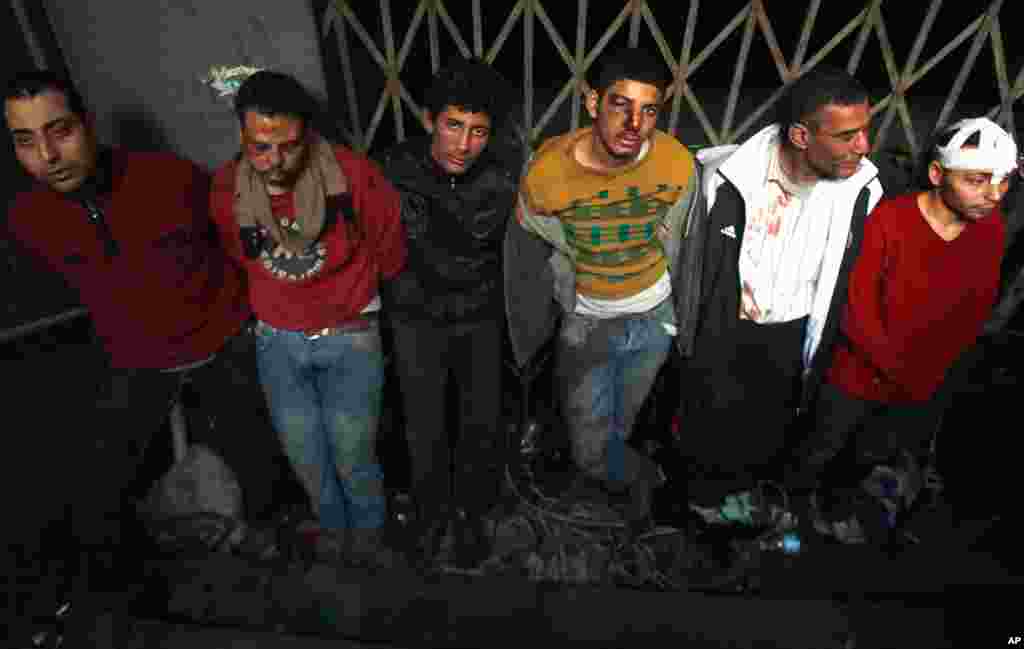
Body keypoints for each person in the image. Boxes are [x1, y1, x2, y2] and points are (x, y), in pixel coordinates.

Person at [3, 69, 279, 639]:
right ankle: (103, 617)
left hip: (220, 342)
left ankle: (277, 578)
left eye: (60, 131)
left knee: (265, 472)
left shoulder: (171, 179)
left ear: (88, 124)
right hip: (137, 361)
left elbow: (242, 247)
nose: (48, 154)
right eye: (26, 140)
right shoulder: (28, 219)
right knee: (92, 491)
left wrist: (250, 326)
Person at [209, 70, 406, 565]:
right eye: (260, 147)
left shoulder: (353, 175)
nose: (275, 162)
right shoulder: (227, 189)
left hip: (350, 337)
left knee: (354, 455)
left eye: (290, 147)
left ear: (310, 134)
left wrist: (344, 300)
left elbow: (390, 251)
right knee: (307, 459)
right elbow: (237, 256)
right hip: (277, 343)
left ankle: (371, 545)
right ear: (242, 135)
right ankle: (335, 544)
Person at [676, 65, 885, 525]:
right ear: (801, 136)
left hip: (796, 331)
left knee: (770, 426)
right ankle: (702, 507)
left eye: (864, 130)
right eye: (847, 135)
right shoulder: (726, 181)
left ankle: (744, 500)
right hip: (729, 327)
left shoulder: (861, 189)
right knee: (710, 421)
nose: (864, 146)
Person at [509, 47, 700, 533]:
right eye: (620, 104)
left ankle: (612, 503)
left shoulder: (676, 163)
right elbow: (529, 248)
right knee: (588, 441)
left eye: (650, 110)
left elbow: (685, 244)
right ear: (592, 103)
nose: (635, 123)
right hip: (588, 323)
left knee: (621, 424)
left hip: (654, 318)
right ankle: (642, 488)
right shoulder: (548, 173)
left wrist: (679, 317)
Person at [799, 117, 1015, 542]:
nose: (993, 194)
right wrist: (897, 367)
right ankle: (787, 514)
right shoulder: (890, 222)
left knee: (869, 454)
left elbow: (975, 307)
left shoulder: (990, 229)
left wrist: (931, 373)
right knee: (818, 448)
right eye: (977, 180)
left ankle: (837, 511)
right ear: (937, 174)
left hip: (919, 380)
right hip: (857, 372)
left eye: (1003, 181)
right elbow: (857, 308)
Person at [378, 57, 520, 569]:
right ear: (429, 119)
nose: (463, 144)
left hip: (479, 316)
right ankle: (429, 511)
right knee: (423, 421)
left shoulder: (504, 176)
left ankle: (469, 515)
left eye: (478, 131)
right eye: (453, 126)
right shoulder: (394, 167)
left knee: (479, 420)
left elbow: (519, 254)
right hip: (415, 317)